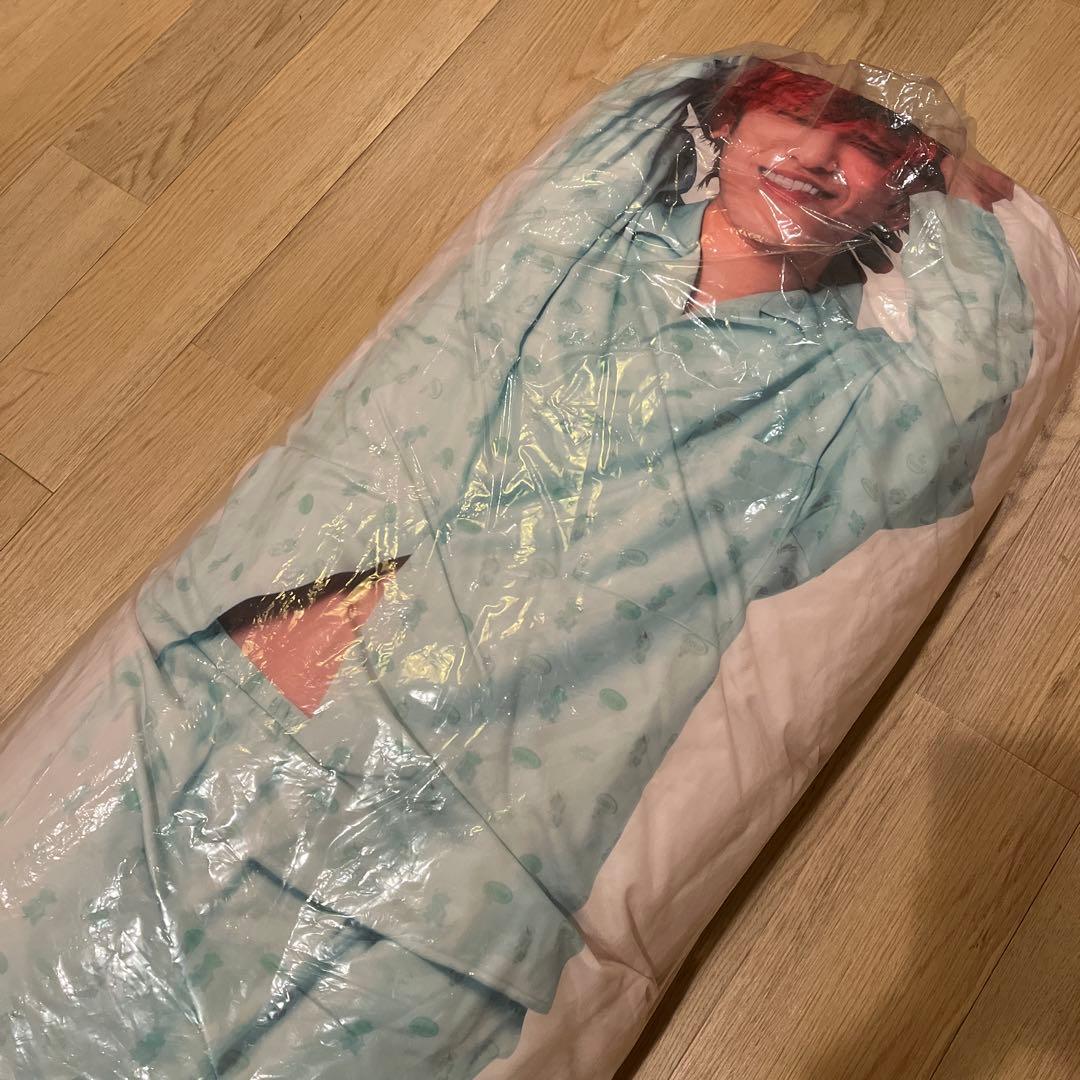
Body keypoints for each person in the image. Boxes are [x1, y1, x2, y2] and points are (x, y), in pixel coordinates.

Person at [1, 55, 1034, 1078]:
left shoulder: (840, 399)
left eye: (866, 151)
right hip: (251, 688)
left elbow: (963, 388)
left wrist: (947, 194)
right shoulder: (571, 245)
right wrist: (721, 71)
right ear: (723, 125)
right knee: (39, 981)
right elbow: (610, 137)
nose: (814, 155)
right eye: (793, 117)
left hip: (465, 841)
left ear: (891, 202)